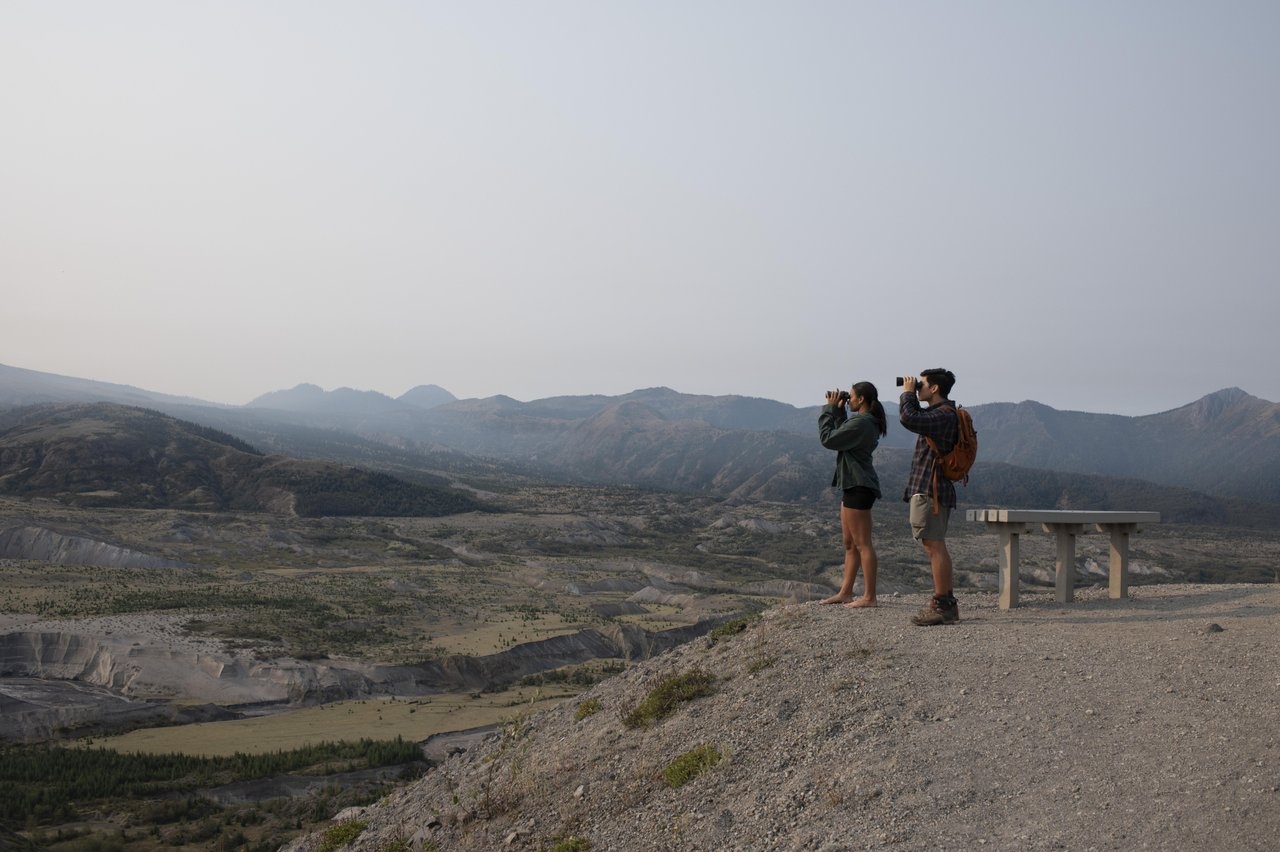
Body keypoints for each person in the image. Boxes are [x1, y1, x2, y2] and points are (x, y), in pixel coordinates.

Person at [817, 381, 887, 608]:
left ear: (862, 399)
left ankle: (869, 597)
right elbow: (843, 440)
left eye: (853, 397)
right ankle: (845, 592)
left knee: (863, 543)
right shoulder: (861, 421)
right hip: (852, 484)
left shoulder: (863, 422)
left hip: (859, 486)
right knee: (849, 543)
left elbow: (829, 439)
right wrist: (840, 413)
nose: (850, 400)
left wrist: (829, 410)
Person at [899, 368, 961, 625]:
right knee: (932, 544)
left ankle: (943, 605)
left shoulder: (945, 415)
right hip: (929, 488)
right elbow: (916, 417)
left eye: (922, 384)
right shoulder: (939, 414)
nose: (917, 386)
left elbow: (908, 418)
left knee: (934, 545)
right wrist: (912, 393)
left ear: (934, 388)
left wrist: (906, 394)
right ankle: (944, 603)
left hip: (931, 489)